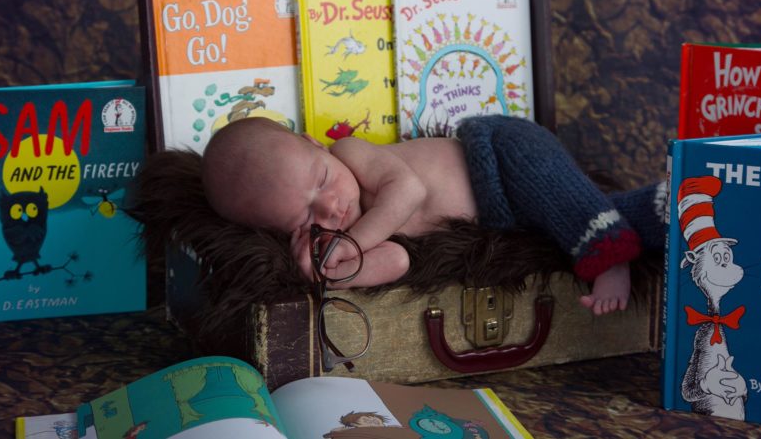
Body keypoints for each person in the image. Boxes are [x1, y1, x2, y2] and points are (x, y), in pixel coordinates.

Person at [201, 115, 666, 316]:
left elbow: (408, 191)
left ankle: (611, 259)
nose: (328, 206)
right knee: (571, 220)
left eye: (322, 180)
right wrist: (326, 274)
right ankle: (662, 210)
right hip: (502, 220)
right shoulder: (345, 235)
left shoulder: (351, 152)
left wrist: (352, 243)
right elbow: (398, 264)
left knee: (561, 197)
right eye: (304, 216)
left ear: (313, 143)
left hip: (498, 155)